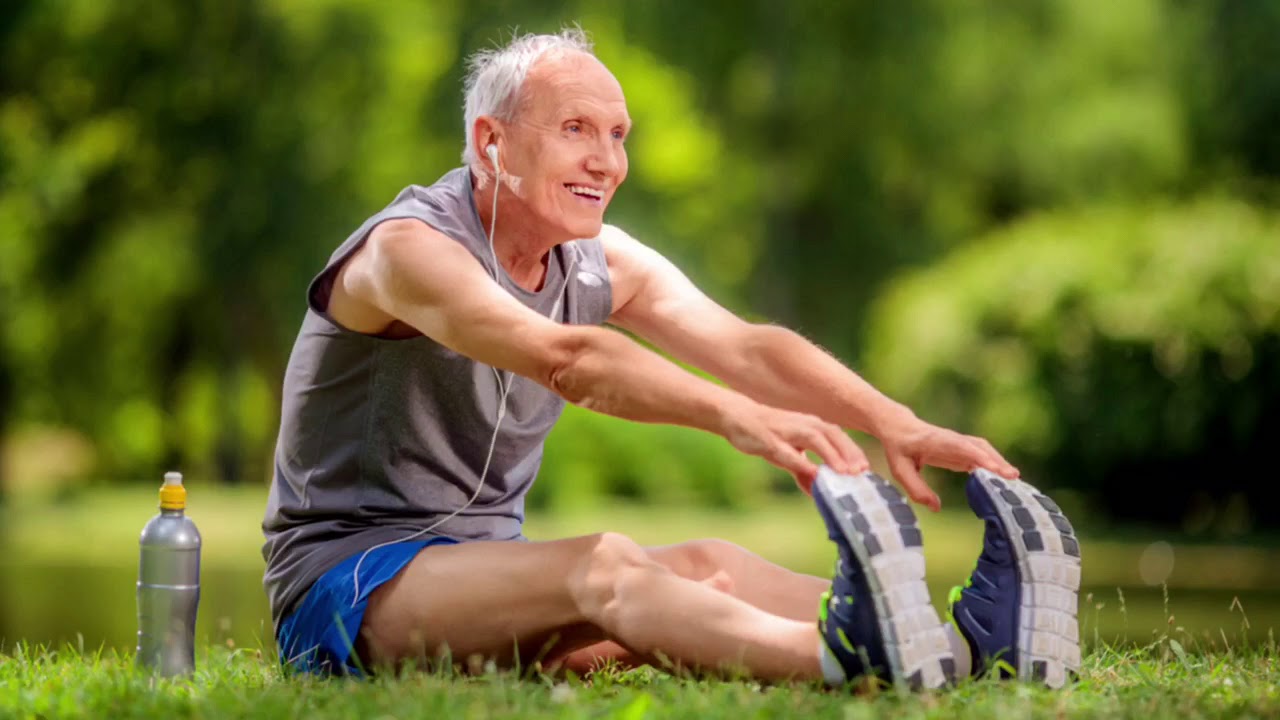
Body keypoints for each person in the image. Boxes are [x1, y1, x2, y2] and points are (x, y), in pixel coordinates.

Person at [261, 28, 1082, 690]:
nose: (607, 161)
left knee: (708, 566)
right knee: (603, 564)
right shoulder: (407, 251)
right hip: (348, 586)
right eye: (575, 129)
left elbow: (746, 345)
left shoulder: (592, 261)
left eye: (617, 136)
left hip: (484, 576)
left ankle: (966, 648)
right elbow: (568, 358)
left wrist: (894, 423)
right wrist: (736, 417)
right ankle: (853, 656)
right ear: (492, 142)